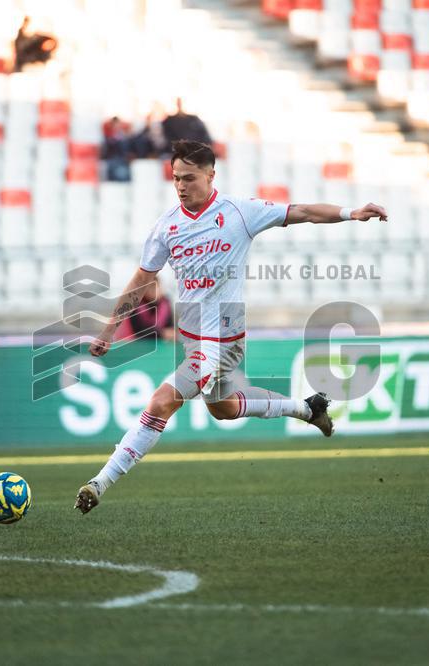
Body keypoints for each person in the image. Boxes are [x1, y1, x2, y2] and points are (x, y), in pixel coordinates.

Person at [74, 140, 388, 514]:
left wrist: (351, 212)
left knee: (160, 403)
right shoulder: (166, 228)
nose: (181, 186)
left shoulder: (240, 212)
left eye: (189, 178)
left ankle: (99, 482)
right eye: (176, 178)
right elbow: (142, 279)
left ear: (210, 175)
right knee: (221, 409)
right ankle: (307, 409)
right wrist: (110, 328)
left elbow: (301, 210)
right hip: (193, 341)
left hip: (223, 338)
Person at [114, 275, 174, 342]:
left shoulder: (165, 302)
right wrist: (161, 333)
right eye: (150, 287)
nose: (153, 290)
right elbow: (138, 332)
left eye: (155, 287)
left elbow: (170, 328)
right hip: (131, 344)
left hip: (158, 344)